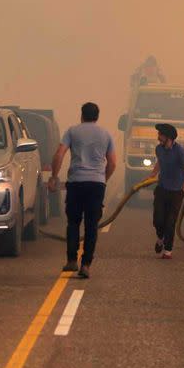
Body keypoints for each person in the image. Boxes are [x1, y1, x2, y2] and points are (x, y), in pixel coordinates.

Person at [49, 102, 116, 279]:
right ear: (97, 116)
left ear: (82, 115)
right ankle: (86, 264)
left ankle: (72, 261)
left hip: (76, 184)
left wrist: (54, 177)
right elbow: (113, 163)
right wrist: (103, 179)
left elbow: (59, 154)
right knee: (91, 226)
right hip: (96, 185)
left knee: (73, 222)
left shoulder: (72, 131)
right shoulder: (106, 134)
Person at [144, 123, 184, 259]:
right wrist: (151, 176)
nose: (158, 137)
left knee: (170, 221)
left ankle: (168, 250)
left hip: (177, 191)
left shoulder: (180, 151)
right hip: (162, 189)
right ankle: (160, 238)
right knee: (158, 220)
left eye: (160, 134)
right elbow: (159, 162)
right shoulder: (159, 149)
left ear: (169, 137)